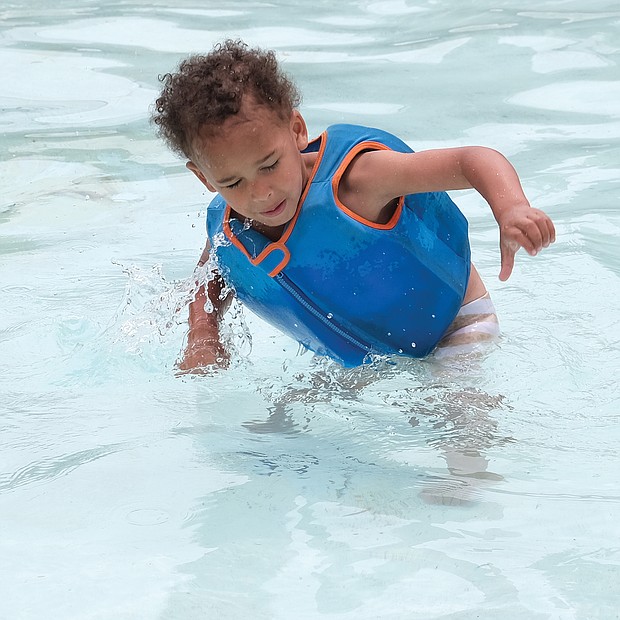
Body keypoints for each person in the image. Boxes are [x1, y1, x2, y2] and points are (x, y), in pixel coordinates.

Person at [151, 39, 555, 371]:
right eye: (232, 182)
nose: (261, 193)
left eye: (270, 165)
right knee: (281, 433)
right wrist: (203, 337)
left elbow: (471, 160)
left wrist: (512, 209)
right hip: (361, 356)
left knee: (462, 429)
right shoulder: (232, 227)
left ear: (296, 131)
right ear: (204, 179)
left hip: (453, 324)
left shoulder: (356, 183)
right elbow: (213, 274)